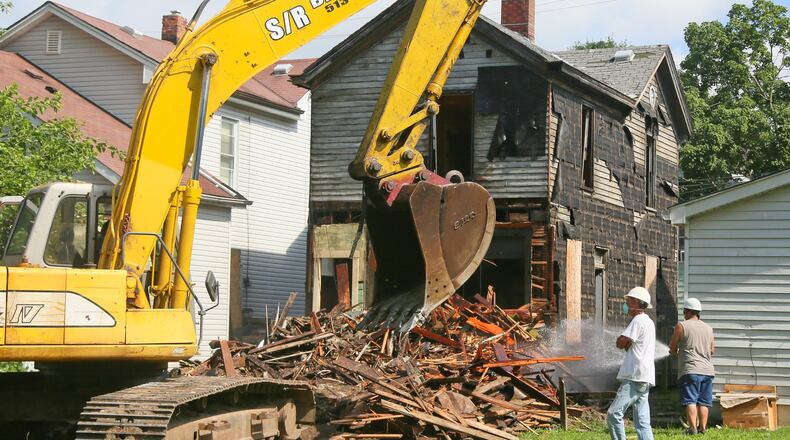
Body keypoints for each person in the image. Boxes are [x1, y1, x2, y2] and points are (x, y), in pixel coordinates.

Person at [607, 286, 656, 440]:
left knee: (614, 413)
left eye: (628, 301)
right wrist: (625, 342)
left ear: (635, 302)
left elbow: (621, 342)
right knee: (642, 422)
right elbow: (629, 344)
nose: (626, 304)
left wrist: (622, 341)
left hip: (634, 376)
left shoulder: (638, 320)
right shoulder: (648, 322)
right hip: (645, 377)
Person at [669, 297, 715, 435]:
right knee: (704, 402)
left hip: (690, 369)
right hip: (707, 371)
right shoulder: (708, 328)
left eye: (684, 312)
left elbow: (672, 348)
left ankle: (692, 428)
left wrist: (676, 352)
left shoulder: (681, 326)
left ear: (687, 311)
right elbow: (712, 350)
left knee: (690, 400)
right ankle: (703, 428)